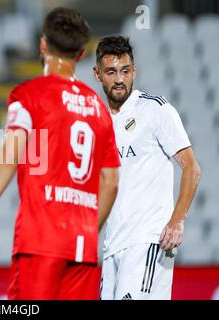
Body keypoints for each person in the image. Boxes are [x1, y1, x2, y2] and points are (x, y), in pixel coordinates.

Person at [0, 7, 121, 300]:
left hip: (40, 243)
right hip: (83, 248)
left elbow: (10, 155)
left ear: (42, 45)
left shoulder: (29, 95)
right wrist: (88, 228)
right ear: (80, 54)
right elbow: (111, 183)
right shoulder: (100, 110)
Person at [93, 35, 201, 300]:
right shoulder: (99, 121)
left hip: (148, 239)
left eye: (125, 71)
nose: (119, 79)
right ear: (97, 75)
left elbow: (191, 167)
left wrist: (177, 221)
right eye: (111, 72)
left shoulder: (155, 110)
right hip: (111, 247)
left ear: (134, 71)